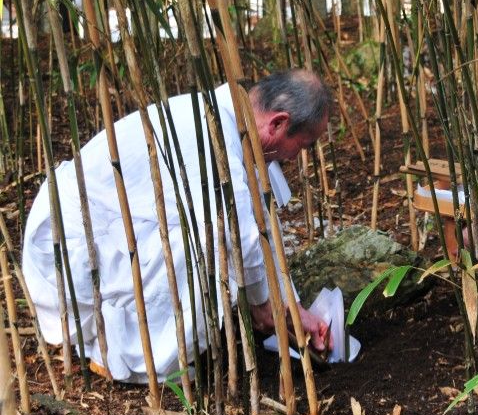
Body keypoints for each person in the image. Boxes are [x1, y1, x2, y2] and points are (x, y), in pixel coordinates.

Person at [22, 69, 334, 383]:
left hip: (112, 230)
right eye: (303, 146)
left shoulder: (233, 120)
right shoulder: (212, 132)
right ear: (278, 122)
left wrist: (290, 306)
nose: (296, 158)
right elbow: (237, 231)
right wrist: (265, 305)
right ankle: (131, 356)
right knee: (209, 240)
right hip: (69, 252)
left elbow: (260, 222)